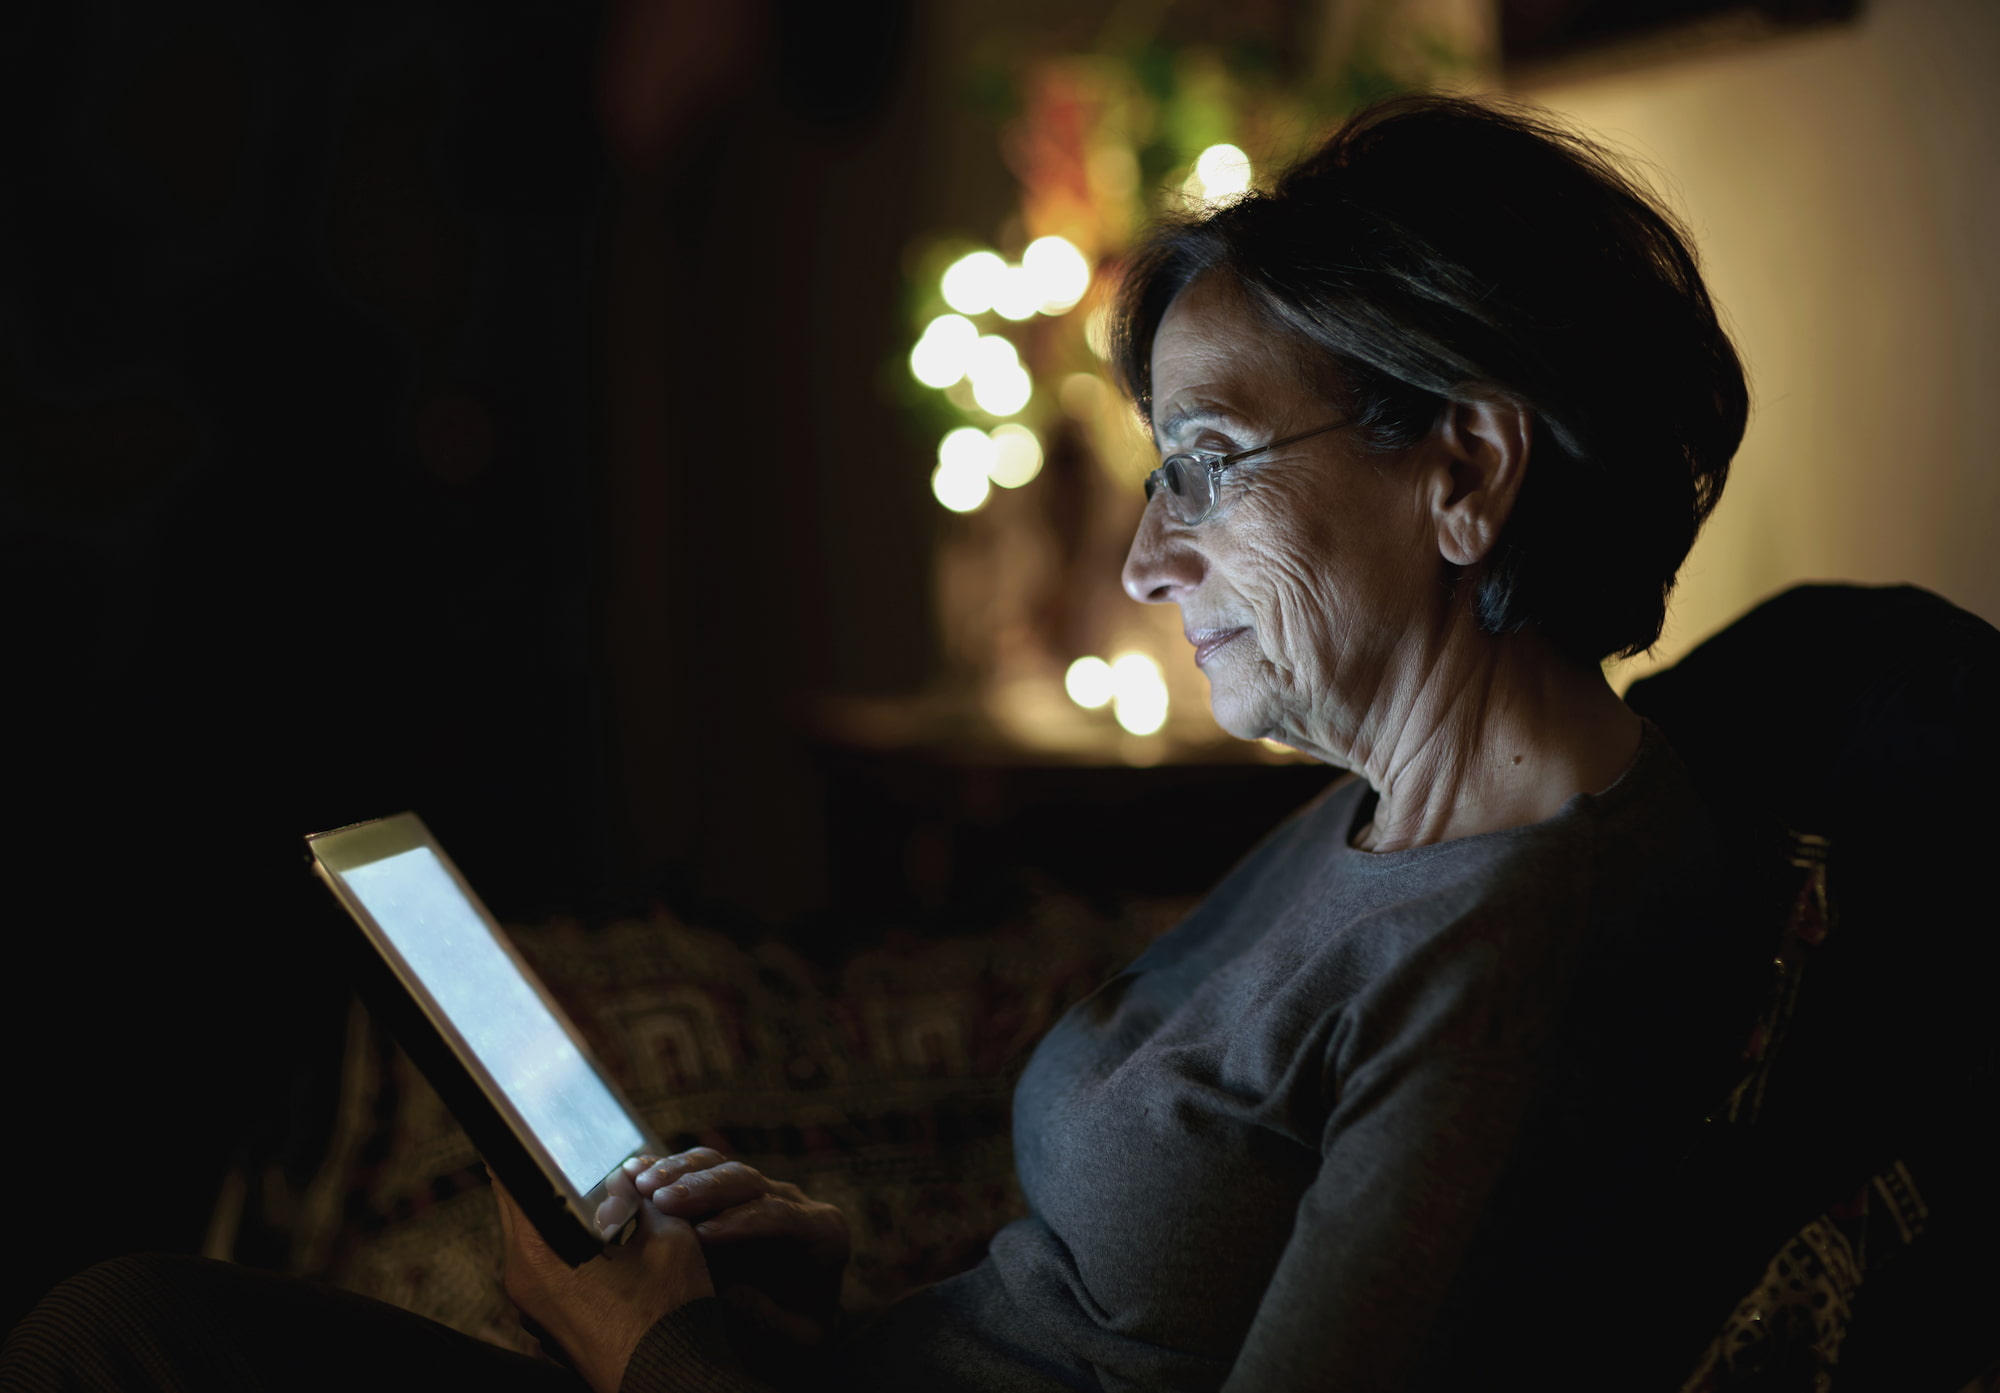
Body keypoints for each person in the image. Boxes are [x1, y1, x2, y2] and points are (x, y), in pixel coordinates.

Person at [2, 92, 1759, 1392]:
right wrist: (817, 1303)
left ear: (1464, 469)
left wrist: (658, 1348)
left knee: (123, 1348)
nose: (1147, 559)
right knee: (130, 1325)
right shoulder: (1394, 803)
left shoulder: (1519, 964)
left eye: (1209, 463)